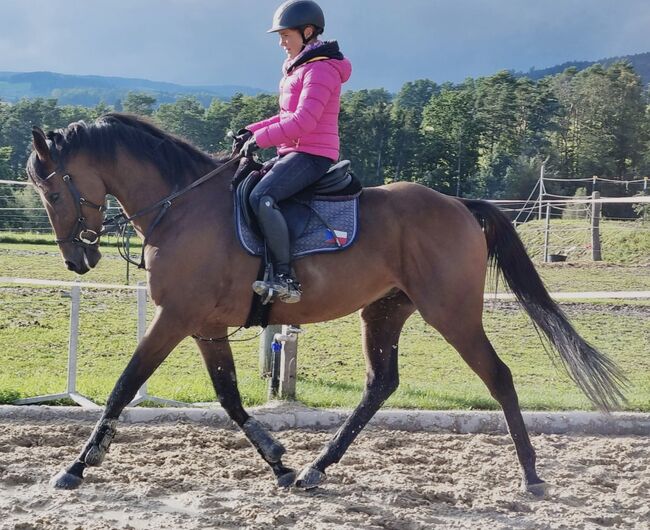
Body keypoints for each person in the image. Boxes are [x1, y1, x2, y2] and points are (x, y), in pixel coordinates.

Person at [238, 0, 352, 304]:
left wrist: (260, 141)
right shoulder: (299, 69)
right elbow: (285, 116)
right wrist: (251, 130)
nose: (281, 43)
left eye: (286, 36)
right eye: (280, 36)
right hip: (293, 151)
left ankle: (285, 277)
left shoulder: (321, 70)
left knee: (262, 196)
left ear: (308, 32)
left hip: (313, 154)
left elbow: (303, 121)